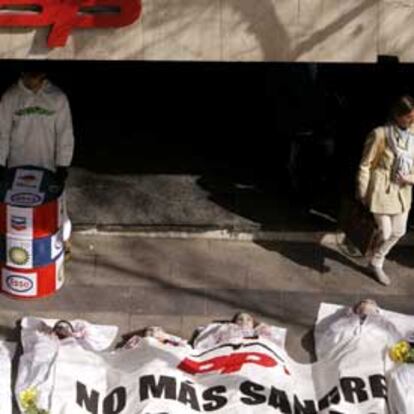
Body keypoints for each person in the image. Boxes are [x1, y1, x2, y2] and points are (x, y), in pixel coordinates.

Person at [0, 71, 75, 255]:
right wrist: (0, 163)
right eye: (28, 74)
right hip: (17, 169)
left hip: (48, 167)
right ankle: (17, 249)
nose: (32, 78)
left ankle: (62, 243)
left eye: (36, 74)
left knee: (57, 210)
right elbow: (2, 133)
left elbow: (65, 134)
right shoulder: (10, 97)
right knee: (18, 213)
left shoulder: (57, 98)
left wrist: (63, 165)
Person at [357, 95, 414, 286]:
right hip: (381, 190)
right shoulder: (380, 134)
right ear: (398, 115)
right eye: (408, 116)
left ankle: (376, 261)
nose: (411, 120)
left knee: (399, 231)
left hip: (403, 191)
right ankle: (377, 261)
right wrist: (363, 192)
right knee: (387, 232)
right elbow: (366, 164)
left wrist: (410, 178)